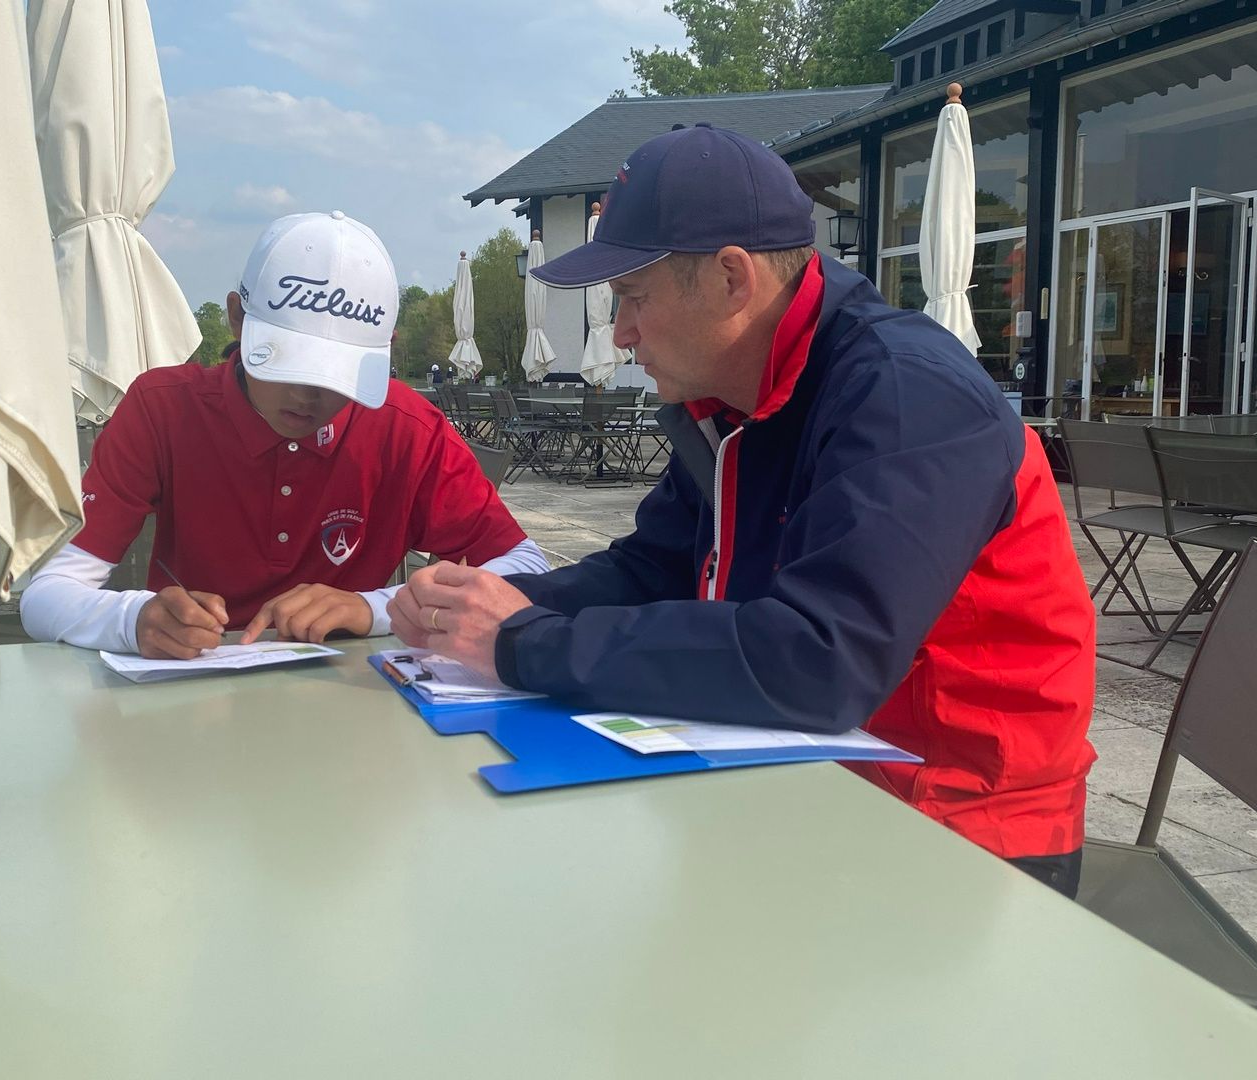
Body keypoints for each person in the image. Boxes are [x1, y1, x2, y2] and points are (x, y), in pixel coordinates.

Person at [389, 125, 1096, 896]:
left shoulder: (907, 397)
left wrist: (524, 643)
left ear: (732, 278)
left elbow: (819, 662)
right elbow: (651, 568)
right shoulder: (735, 395)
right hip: (800, 773)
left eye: (633, 297)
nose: (620, 334)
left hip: (953, 832)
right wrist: (487, 604)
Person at [22, 210, 547, 659]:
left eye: (337, 373)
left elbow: (529, 569)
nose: (306, 394)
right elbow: (45, 594)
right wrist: (134, 619)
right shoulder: (162, 408)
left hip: (351, 697)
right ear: (236, 318)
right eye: (283, 360)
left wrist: (371, 608)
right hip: (193, 689)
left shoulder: (406, 426)